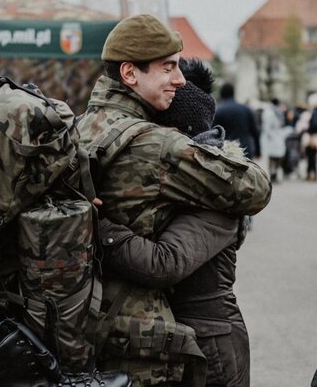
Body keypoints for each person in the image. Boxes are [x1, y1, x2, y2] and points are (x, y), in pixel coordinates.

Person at [76, 13, 272, 386]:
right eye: (168, 67)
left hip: (84, 318)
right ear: (130, 73)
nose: (179, 79)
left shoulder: (79, 126)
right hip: (140, 331)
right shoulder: (156, 144)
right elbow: (255, 188)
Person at [99, 58, 252, 387]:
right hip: (185, 335)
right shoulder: (176, 186)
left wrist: (97, 224)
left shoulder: (216, 196)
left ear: (183, 138)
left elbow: (163, 263)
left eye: (160, 136)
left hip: (212, 345)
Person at [213, 82, 260, 159]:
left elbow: (214, 134)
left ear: (221, 94)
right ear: (233, 93)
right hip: (245, 149)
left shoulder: (219, 111)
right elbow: (255, 132)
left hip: (226, 151)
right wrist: (258, 151)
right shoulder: (246, 109)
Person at [297, 93, 317, 181]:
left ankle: (310, 174)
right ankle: (313, 174)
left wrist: (307, 131)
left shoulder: (316, 111)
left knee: (310, 156)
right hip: (316, 135)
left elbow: (314, 124)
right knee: (312, 156)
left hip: (312, 136)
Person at [260, 98, 290, 183]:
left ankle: (274, 174)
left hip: (277, 137)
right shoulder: (270, 113)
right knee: (273, 157)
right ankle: (273, 175)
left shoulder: (276, 112)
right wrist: (271, 136)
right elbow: (267, 127)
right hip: (272, 138)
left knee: (277, 157)